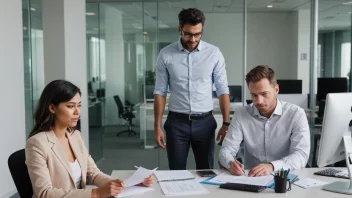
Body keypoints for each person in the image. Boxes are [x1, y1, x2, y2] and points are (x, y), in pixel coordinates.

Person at [26, 80, 153, 198]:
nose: (77, 112)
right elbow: (44, 193)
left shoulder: (76, 136)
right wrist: (96, 193)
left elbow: (93, 174)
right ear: (52, 108)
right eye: (70, 106)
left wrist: (123, 184)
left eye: (79, 106)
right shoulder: (37, 143)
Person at [154, 8, 230, 170]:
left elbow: (222, 89)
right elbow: (160, 91)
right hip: (176, 123)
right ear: (180, 28)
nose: (193, 39)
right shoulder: (166, 54)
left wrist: (226, 122)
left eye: (197, 34)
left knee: (206, 171)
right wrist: (157, 126)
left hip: (205, 122)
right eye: (188, 34)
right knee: (176, 171)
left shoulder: (214, 53)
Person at [219, 65, 310, 177]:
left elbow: (301, 155)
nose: (259, 101)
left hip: (286, 177)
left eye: (264, 94)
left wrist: (272, 166)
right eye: (254, 95)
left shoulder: (296, 114)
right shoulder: (241, 114)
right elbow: (226, 150)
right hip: (252, 179)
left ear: (276, 90)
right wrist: (230, 163)